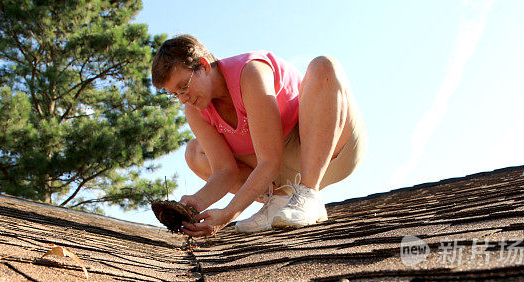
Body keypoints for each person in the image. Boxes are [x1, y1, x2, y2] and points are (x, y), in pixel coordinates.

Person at [151, 35, 366, 237]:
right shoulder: (195, 110)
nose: (182, 99)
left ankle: (309, 194)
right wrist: (196, 202)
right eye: (175, 94)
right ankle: (280, 199)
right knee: (195, 152)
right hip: (282, 175)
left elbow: (270, 161)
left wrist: (228, 213)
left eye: (183, 86)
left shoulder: (250, 72)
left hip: (331, 152)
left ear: (204, 66)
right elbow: (225, 171)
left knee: (323, 66)